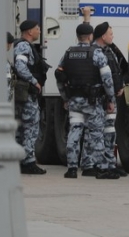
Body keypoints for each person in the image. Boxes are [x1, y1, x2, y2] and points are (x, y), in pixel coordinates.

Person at [55, 23, 116, 179]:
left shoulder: (68, 53)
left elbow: (59, 77)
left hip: (74, 101)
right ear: (90, 36)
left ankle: (72, 168)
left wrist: (65, 97)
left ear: (77, 36)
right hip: (92, 102)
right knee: (96, 134)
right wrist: (111, 99)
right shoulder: (96, 53)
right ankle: (102, 169)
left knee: (74, 132)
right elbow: (107, 80)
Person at [78, 8, 129, 177]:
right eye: (110, 34)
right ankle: (91, 164)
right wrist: (86, 18)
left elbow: (118, 70)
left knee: (109, 132)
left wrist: (120, 86)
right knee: (94, 133)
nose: (113, 36)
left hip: (111, 97)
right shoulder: (94, 51)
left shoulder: (109, 50)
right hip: (101, 99)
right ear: (102, 36)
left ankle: (109, 163)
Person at [13, 20, 47, 175]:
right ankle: (28, 162)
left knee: (22, 128)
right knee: (31, 127)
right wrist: (34, 81)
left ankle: (21, 160)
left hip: (24, 94)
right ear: (29, 32)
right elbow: (20, 66)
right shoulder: (24, 46)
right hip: (27, 94)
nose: (39, 31)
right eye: (37, 28)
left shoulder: (23, 46)